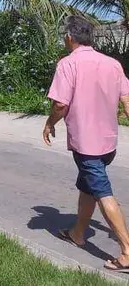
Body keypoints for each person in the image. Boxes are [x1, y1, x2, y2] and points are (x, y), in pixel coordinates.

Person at [44, 15, 129, 273]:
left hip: (87, 144)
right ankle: (78, 233)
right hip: (108, 144)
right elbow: (127, 98)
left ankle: (126, 251)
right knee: (88, 185)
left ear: (69, 37)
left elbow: (60, 104)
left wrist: (49, 124)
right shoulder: (112, 64)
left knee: (102, 191)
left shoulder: (68, 64)